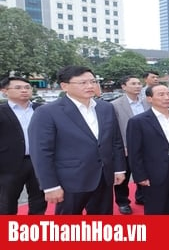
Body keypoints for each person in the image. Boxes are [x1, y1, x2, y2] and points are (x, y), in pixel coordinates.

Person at [28, 66, 126, 214]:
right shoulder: (47, 112)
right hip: (70, 180)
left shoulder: (105, 108)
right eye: (82, 83)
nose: (90, 86)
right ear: (64, 86)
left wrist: (119, 168)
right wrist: (50, 186)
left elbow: (115, 141)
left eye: (93, 81)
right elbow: (41, 152)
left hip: (103, 177)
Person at [127, 84, 169, 214]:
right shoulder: (138, 121)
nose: (167, 98)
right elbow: (135, 152)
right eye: (161, 94)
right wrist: (140, 175)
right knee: (156, 207)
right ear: (149, 99)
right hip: (155, 169)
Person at [0, 77, 47, 215]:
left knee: (39, 199)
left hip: (38, 161)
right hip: (8, 163)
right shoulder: (2, 111)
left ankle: (34, 231)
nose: (24, 90)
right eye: (18, 88)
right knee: (6, 201)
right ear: (5, 91)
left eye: (27, 87)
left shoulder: (41, 109)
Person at [111, 75, 151, 214]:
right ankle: (123, 202)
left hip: (146, 145)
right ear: (124, 86)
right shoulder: (115, 105)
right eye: (133, 83)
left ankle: (141, 196)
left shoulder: (148, 102)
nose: (138, 86)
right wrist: (122, 146)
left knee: (144, 172)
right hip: (126, 146)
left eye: (139, 83)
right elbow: (114, 129)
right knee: (124, 175)